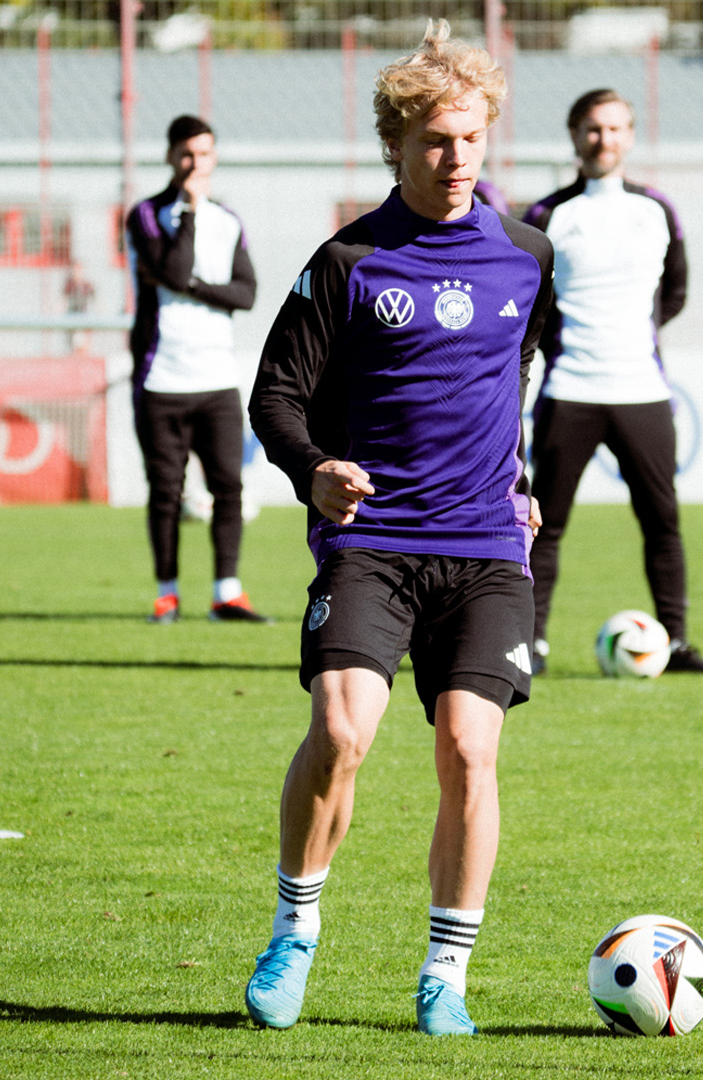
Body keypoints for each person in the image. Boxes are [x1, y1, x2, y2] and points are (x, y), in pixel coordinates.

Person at [244, 21, 552, 1037]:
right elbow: (276, 396)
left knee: (470, 750)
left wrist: (531, 476)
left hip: (486, 551)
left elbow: (536, 384)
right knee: (342, 732)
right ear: (397, 145)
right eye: (435, 141)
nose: (456, 158)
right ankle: (296, 928)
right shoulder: (347, 261)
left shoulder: (528, 258)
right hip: (372, 543)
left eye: (470, 138)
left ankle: (446, 976)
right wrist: (314, 469)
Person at [519, 89, 703, 677]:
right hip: (570, 393)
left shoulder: (657, 210)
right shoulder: (548, 215)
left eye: (614, 129)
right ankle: (528, 646)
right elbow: (526, 297)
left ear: (630, 136)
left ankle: (678, 642)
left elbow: (676, 291)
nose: (603, 139)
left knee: (662, 520)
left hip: (642, 393)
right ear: (574, 136)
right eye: (591, 129)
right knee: (542, 524)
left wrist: (637, 335)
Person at [124, 115, 267, 623]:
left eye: (203, 154)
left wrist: (197, 288)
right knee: (165, 491)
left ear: (213, 157)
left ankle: (227, 593)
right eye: (186, 154)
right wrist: (186, 213)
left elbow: (246, 293)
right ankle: (167, 594)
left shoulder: (228, 218)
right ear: (169, 156)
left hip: (217, 380)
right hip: (161, 376)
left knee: (229, 486)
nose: (194, 164)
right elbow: (173, 269)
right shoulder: (146, 215)